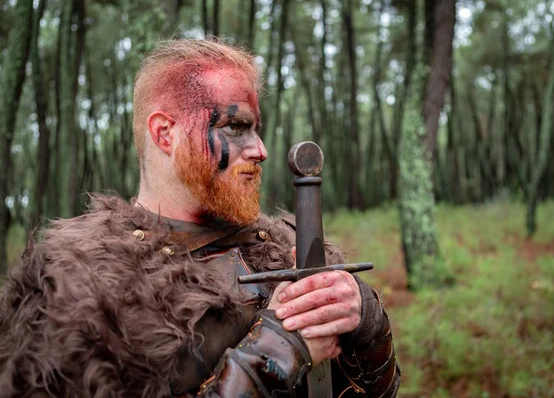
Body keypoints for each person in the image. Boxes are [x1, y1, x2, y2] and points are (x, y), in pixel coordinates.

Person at [0, 39, 400, 397]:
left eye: (255, 129)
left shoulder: (284, 248)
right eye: (235, 127)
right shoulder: (75, 282)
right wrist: (275, 353)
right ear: (164, 133)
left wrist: (367, 319)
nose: (260, 150)